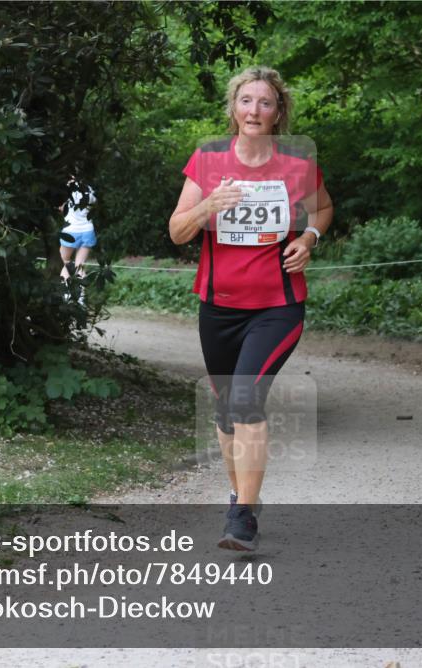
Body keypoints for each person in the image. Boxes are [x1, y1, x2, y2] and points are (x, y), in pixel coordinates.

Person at [168, 66, 334, 551]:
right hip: (219, 305)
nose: (254, 110)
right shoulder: (207, 159)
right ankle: (244, 495)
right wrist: (207, 207)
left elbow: (323, 208)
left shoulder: (298, 165)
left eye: (265, 102)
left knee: (245, 400)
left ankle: (242, 518)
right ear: (233, 108)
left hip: (277, 306)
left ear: (279, 111)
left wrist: (310, 237)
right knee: (225, 412)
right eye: (246, 101)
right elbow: (178, 231)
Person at [60, 177, 97, 282]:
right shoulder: (90, 192)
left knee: (65, 263)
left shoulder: (67, 193)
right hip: (87, 231)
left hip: (70, 231)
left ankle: (67, 295)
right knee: (80, 266)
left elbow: (62, 209)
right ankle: (80, 297)